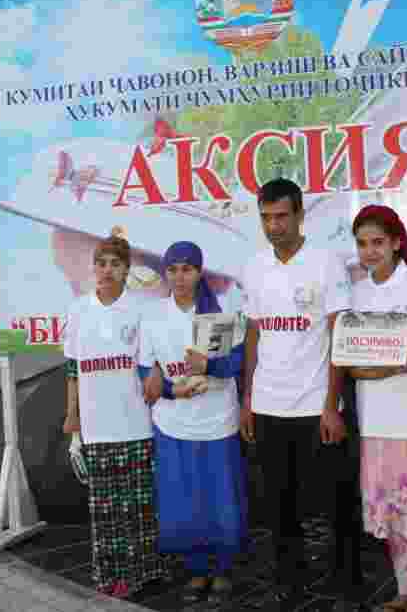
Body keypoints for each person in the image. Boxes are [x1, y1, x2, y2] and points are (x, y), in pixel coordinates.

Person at [239, 178, 363, 611]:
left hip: (316, 406)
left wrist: (332, 405)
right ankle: (290, 584)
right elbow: (253, 335)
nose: (274, 226)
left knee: (338, 505)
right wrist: (247, 401)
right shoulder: (255, 267)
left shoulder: (326, 263)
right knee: (279, 507)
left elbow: (340, 336)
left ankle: (348, 587)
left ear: (299, 215)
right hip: (268, 405)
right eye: (266, 218)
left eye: (281, 217)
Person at [137, 241, 249, 601]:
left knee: (221, 499)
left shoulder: (218, 313)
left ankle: (223, 570)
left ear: (199, 272)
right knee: (185, 501)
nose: (179, 277)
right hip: (173, 424)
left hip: (217, 421)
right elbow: (146, 371)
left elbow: (235, 364)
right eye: (172, 269)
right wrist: (172, 390)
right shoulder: (154, 315)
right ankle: (197, 571)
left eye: (187, 269)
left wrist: (208, 365)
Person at [343, 205, 407, 612]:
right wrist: (361, 366)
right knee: (389, 513)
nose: (369, 251)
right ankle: (404, 591)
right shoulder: (358, 291)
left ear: (397, 243)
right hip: (374, 416)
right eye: (362, 244)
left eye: (378, 242)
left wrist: (381, 366)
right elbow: (348, 351)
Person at [61, 233, 166, 598]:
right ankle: (112, 578)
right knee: (106, 514)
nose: (107, 270)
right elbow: (72, 369)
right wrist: (72, 418)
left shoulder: (141, 309)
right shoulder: (78, 310)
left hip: (136, 423)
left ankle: (146, 572)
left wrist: (157, 376)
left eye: (115, 264)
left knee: (139, 507)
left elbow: (153, 362)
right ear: (94, 267)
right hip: (97, 426)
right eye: (101, 263)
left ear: (126, 269)